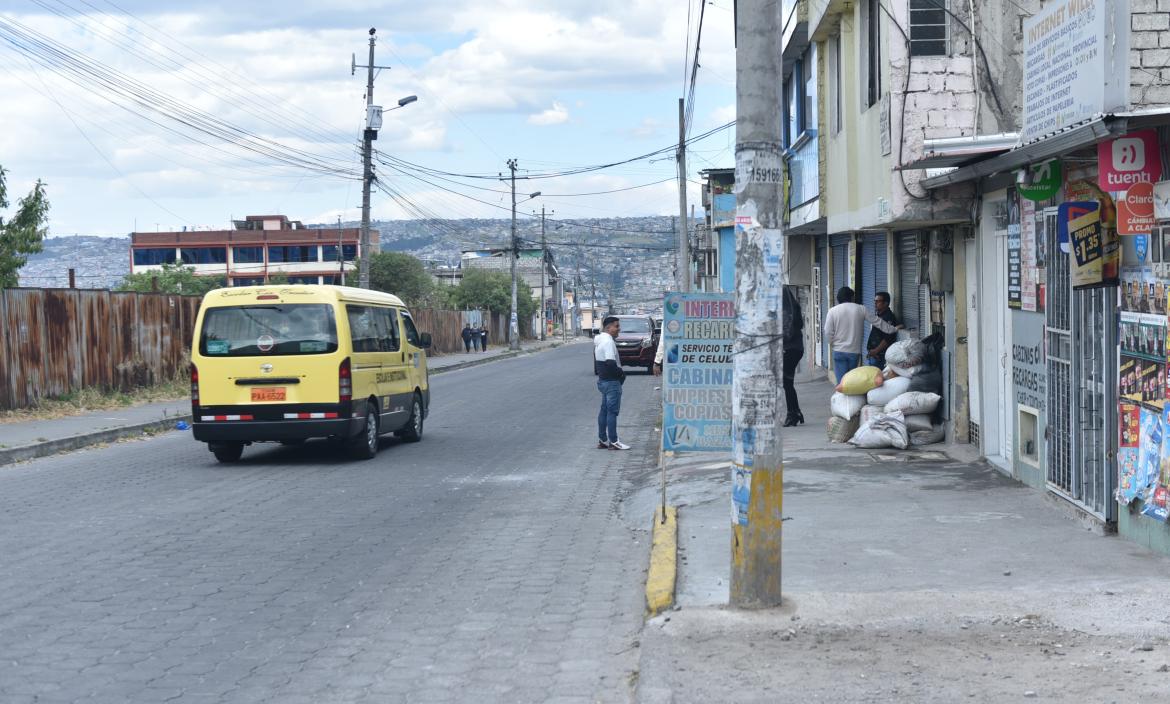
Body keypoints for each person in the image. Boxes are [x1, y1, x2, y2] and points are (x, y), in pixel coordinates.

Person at [823, 286, 900, 383]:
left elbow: (828, 332)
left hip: (838, 351)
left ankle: (841, 397)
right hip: (854, 352)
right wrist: (893, 329)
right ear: (852, 297)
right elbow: (878, 322)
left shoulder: (832, 311)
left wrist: (832, 343)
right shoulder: (861, 309)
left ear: (838, 298)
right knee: (851, 381)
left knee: (841, 383)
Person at [594, 315, 630, 450]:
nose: (619, 329)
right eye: (617, 326)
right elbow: (610, 363)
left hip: (603, 381)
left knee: (604, 411)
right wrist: (621, 375)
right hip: (611, 382)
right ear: (608, 328)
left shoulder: (599, 341)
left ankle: (602, 439)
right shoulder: (608, 342)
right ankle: (614, 441)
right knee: (612, 412)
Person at [781, 286, 805, 427]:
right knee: (787, 382)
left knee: (786, 382)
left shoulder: (787, 311)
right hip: (795, 349)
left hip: (789, 349)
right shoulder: (793, 307)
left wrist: (782, 344)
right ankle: (795, 412)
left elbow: (786, 330)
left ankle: (793, 414)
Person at [865, 291, 899, 368]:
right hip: (874, 355)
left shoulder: (888, 317)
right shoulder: (879, 316)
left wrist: (875, 351)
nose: (875, 303)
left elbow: (888, 338)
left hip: (879, 356)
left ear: (886, 303)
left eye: (878, 301)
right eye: (875, 301)